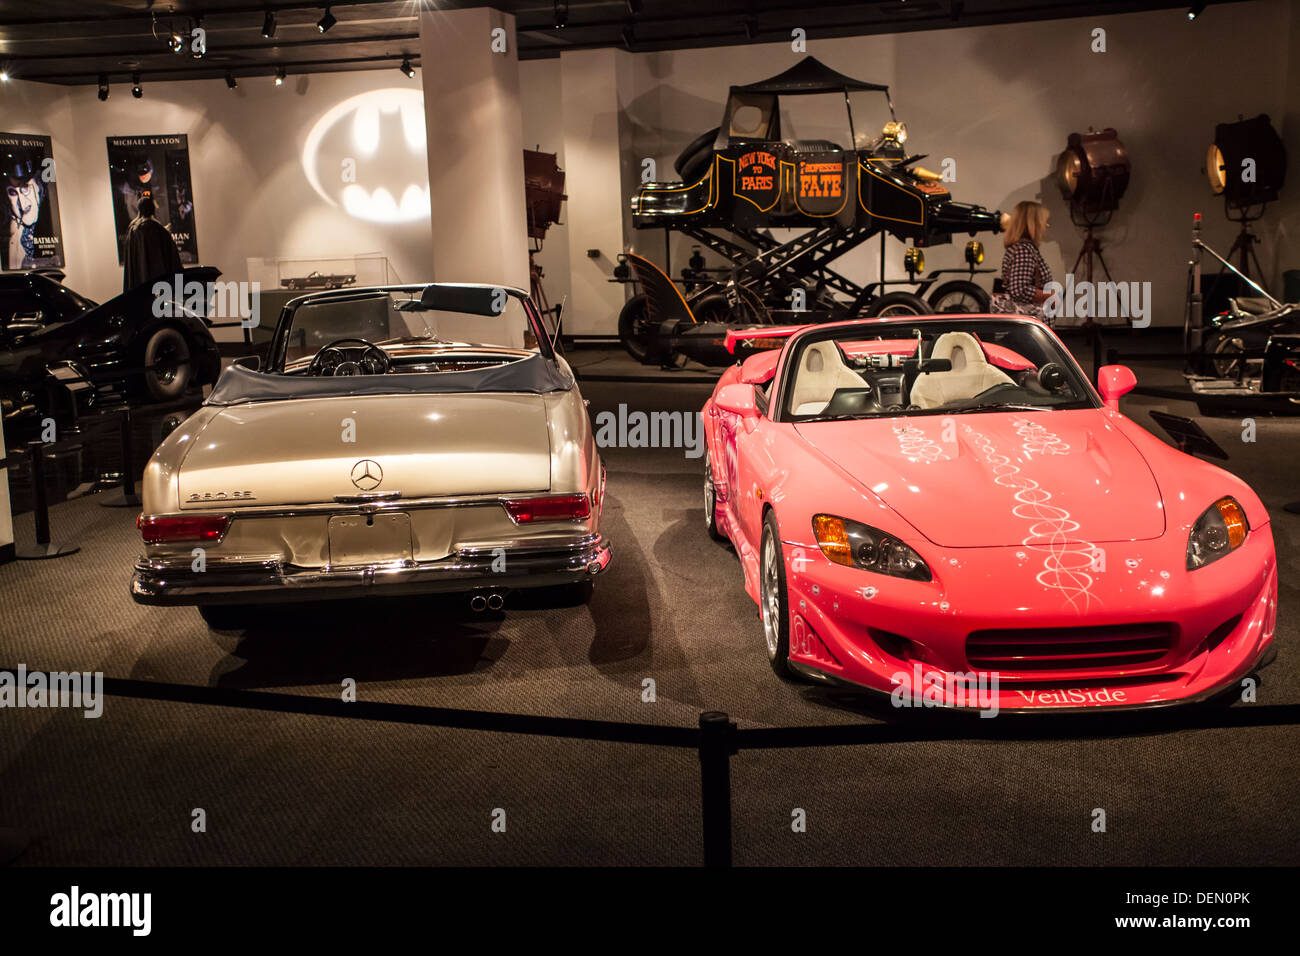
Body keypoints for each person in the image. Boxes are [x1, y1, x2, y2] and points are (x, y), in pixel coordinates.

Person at [991, 200, 1057, 325]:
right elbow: (1018, 290)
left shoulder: (1022, 248)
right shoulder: (1023, 250)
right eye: (1043, 221)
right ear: (1033, 224)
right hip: (1024, 328)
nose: (1046, 226)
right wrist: (1048, 296)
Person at [123, 195, 183, 292]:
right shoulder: (157, 229)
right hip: (158, 287)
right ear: (152, 209)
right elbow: (172, 259)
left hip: (139, 289)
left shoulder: (132, 229)